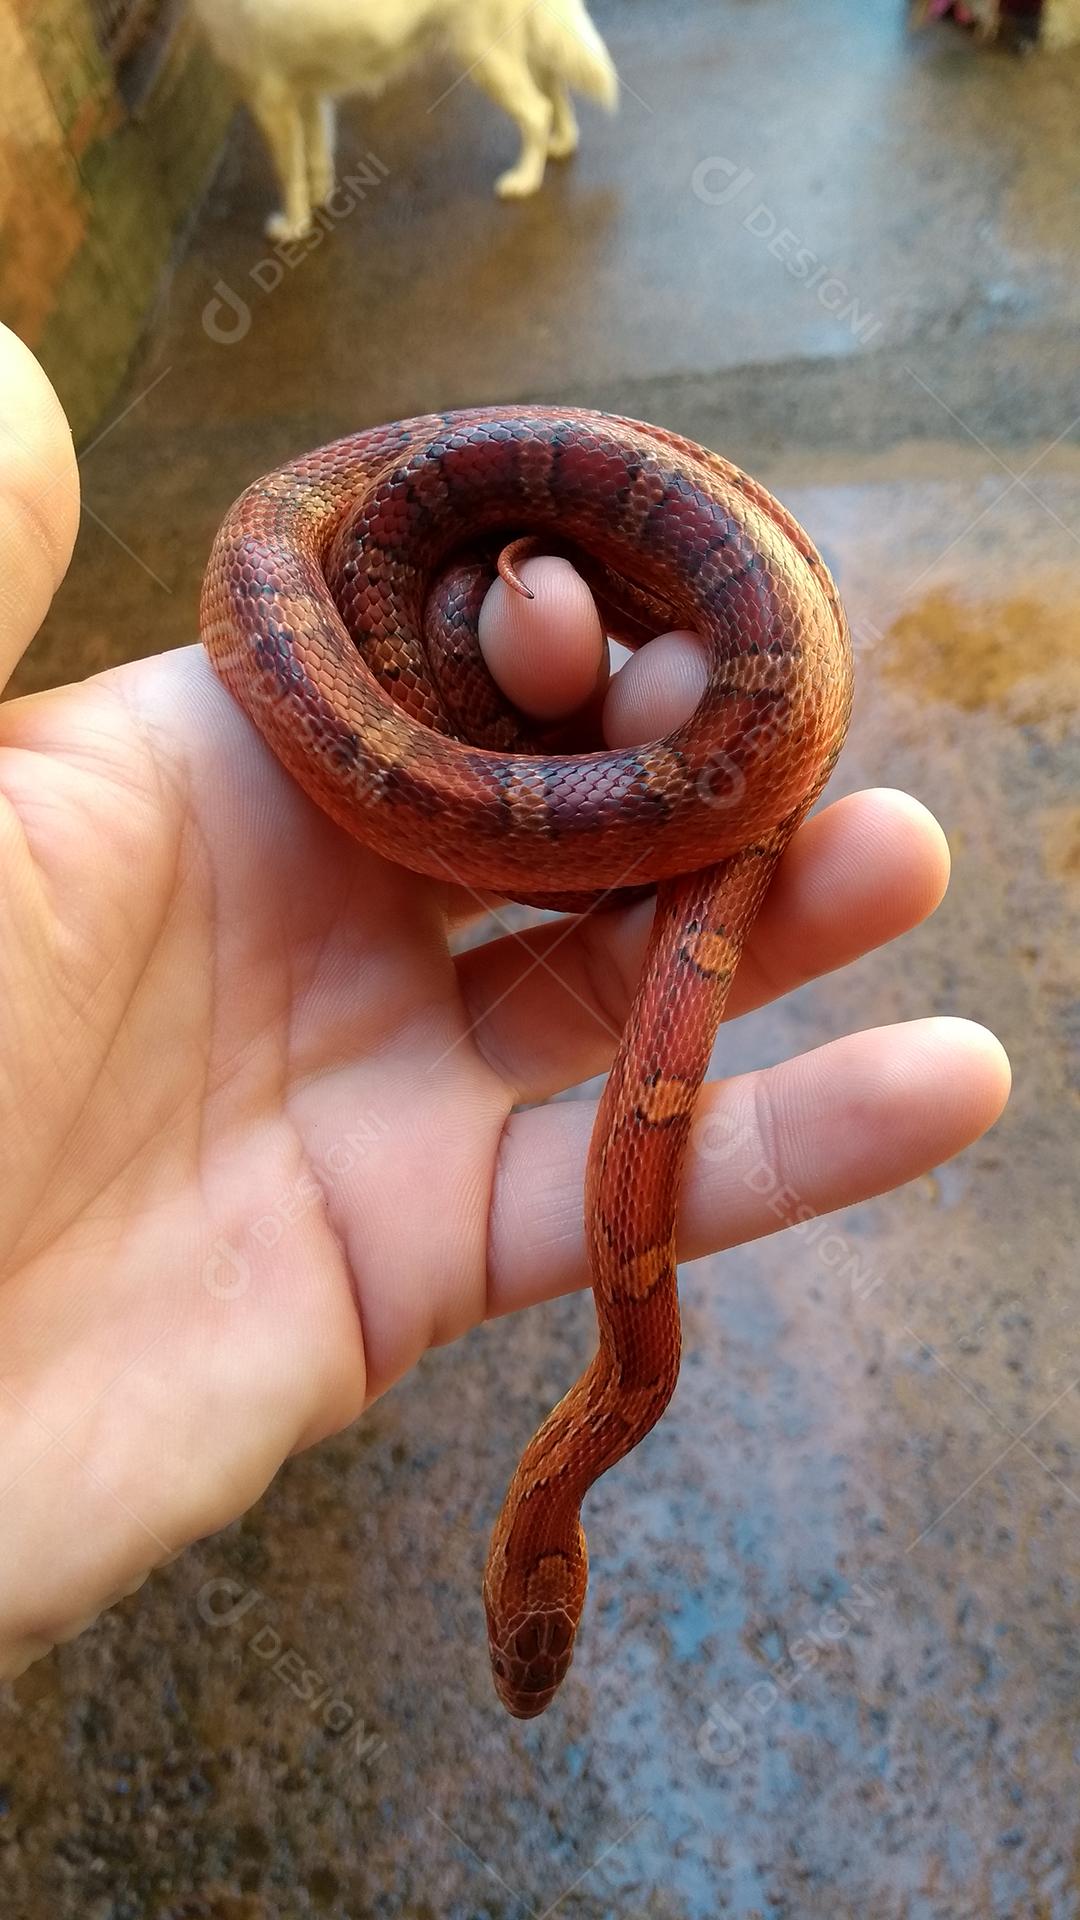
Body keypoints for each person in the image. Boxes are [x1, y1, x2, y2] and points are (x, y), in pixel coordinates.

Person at [0, 325, 1010, 1677]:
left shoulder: (629, 1385)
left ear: (526, 1561)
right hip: (400, 598)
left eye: (511, 1636)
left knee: (552, 673)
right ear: (536, 1552)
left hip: (589, 665)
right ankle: (480, 630)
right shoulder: (625, 1384)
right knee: (496, 636)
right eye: (526, 1633)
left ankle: (494, 648)